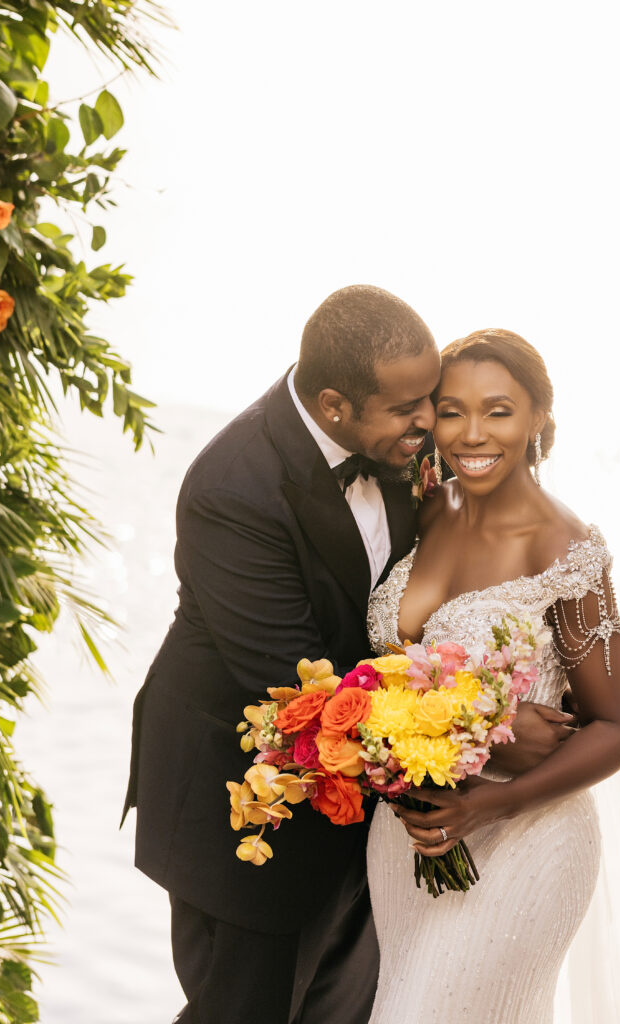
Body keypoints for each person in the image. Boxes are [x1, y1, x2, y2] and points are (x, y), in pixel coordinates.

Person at [122, 288, 574, 1023]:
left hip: (365, 809)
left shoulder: (397, 443)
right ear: (334, 406)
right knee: (242, 1010)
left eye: (431, 398)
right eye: (409, 410)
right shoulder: (232, 489)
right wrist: (486, 732)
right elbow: (295, 682)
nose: (429, 422)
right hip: (245, 798)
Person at [365, 328, 620, 1023]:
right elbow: (390, 669)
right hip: (408, 838)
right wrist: (479, 725)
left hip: (526, 838)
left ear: (537, 420)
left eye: (497, 410)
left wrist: (489, 803)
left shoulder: (564, 548)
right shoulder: (426, 507)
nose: (471, 432)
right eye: (452, 410)